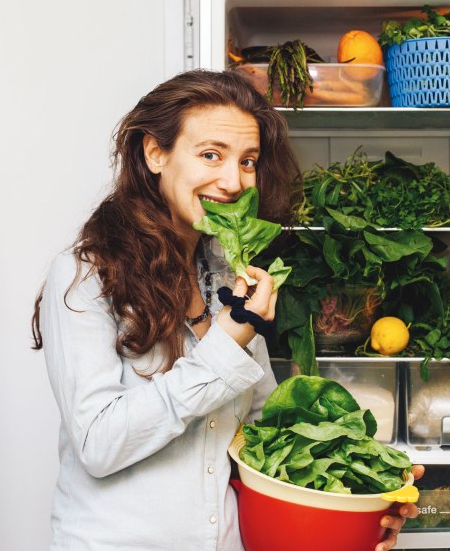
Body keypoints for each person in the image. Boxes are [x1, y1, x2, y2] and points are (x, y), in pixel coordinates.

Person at [31, 69, 420, 551]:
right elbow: (99, 443)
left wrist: (361, 498)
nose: (234, 181)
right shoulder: (85, 277)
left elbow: (263, 435)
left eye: (248, 161)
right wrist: (225, 343)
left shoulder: (225, 276)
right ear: (155, 153)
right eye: (210, 154)